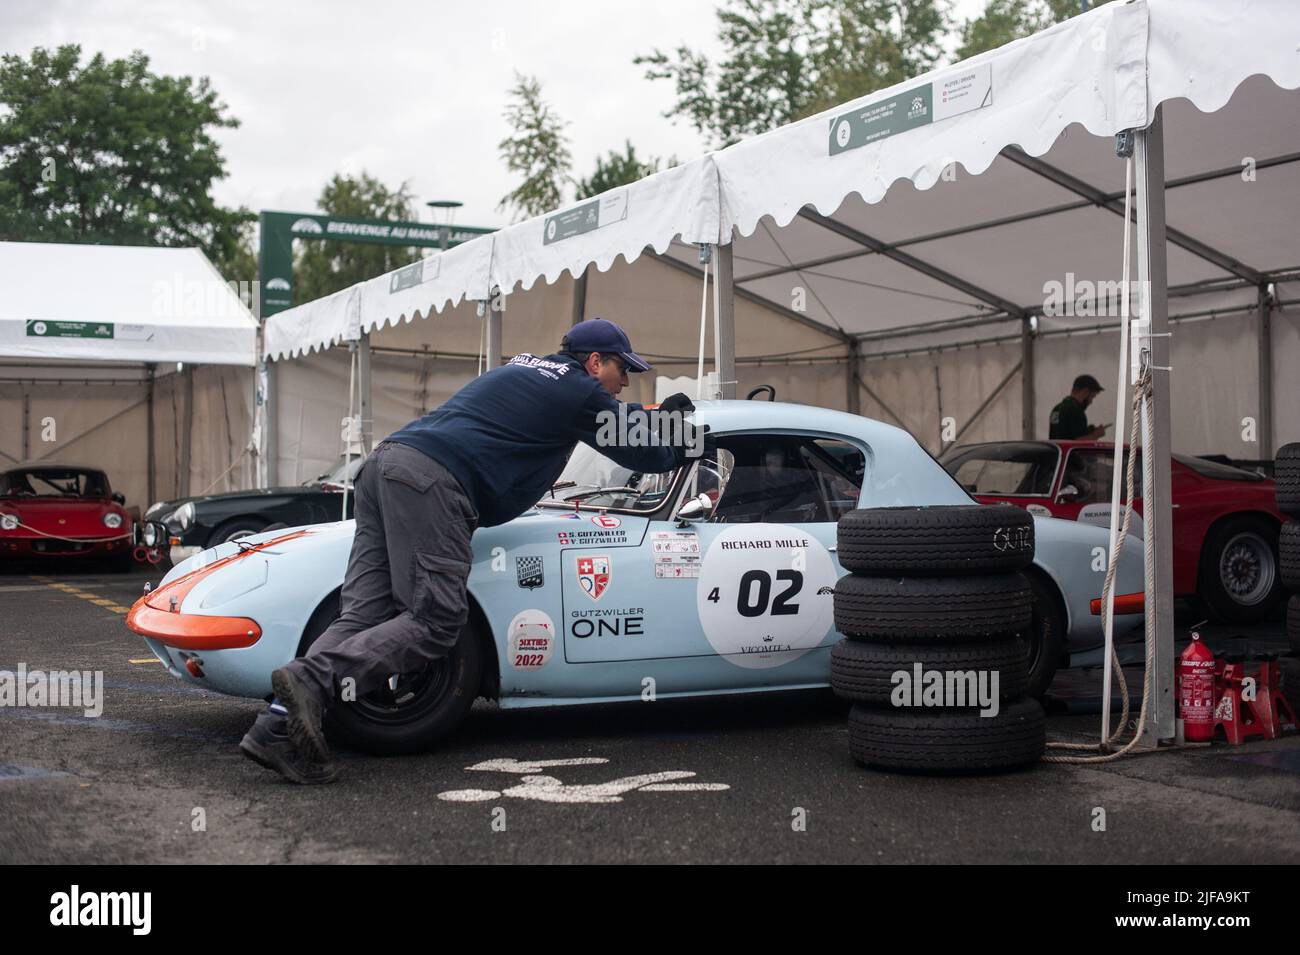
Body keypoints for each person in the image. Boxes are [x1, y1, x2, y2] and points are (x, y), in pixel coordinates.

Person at [240, 318, 698, 783]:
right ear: (595, 362)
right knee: (435, 622)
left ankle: (276, 725)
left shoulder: (526, 371)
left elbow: (610, 418)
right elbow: (636, 449)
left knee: (361, 615)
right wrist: (684, 443)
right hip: (430, 483)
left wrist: (655, 417)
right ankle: (308, 679)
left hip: (385, 467)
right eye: (623, 369)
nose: (625, 381)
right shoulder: (577, 390)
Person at [1048, 374, 1107, 440]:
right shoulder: (1076, 410)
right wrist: (1096, 435)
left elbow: (1062, 434)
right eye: (1092, 396)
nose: (1091, 402)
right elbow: (1078, 443)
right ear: (1085, 392)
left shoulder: (1056, 409)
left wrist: (1088, 431)